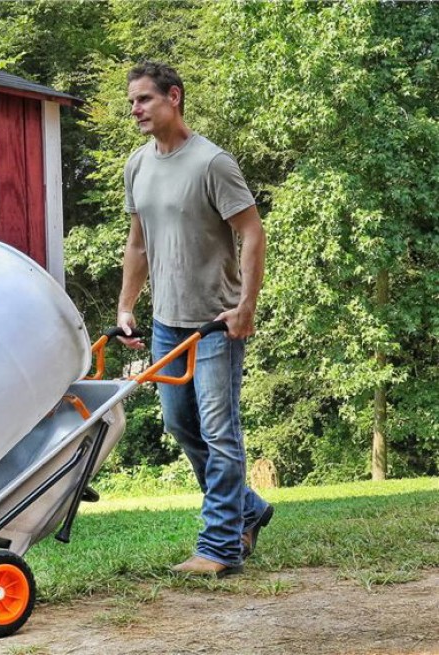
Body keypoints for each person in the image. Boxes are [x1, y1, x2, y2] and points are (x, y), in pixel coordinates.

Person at [116, 61, 273, 576]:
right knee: (181, 424)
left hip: (215, 322)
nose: (135, 109)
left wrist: (246, 307)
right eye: (132, 101)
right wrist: (126, 306)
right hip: (168, 323)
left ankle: (221, 547)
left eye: (144, 99)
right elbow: (137, 245)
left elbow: (252, 232)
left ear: (174, 97)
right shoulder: (137, 165)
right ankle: (248, 509)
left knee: (220, 432)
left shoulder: (212, 163)